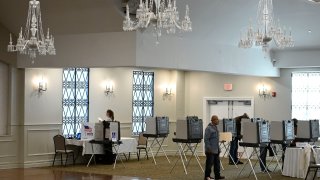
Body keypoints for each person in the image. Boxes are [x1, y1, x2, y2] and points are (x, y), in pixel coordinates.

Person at [204, 115, 225, 180]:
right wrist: (208, 148)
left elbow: (214, 138)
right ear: (213, 120)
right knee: (209, 164)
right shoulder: (208, 128)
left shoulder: (215, 127)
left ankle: (217, 176)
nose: (218, 120)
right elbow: (206, 139)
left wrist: (221, 141)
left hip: (216, 149)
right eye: (216, 119)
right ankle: (207, 177)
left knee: (217, 164)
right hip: (210, 150)